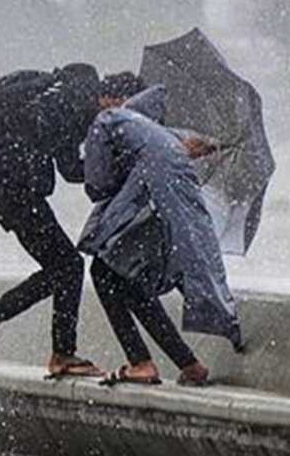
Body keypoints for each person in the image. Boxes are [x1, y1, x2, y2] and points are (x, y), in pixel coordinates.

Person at [78, 85, 243, 387]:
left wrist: (107, 170)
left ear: (109, 100)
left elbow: (97, 185)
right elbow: (172, 152)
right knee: (131, 280)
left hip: (149, 197)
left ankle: (141, 363)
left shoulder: (106, 120)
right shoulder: (158, 132)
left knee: (103, 271)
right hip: (169, 205)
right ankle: (189, 364)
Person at [0, 63, 103, 379]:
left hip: (5, 189)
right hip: (19, 192)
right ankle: (55, 352)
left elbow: (63, 163)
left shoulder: (49, 95)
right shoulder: (78, 102)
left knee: (63, 268)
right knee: (68, 267)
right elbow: (71, 169)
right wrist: (112, 164)